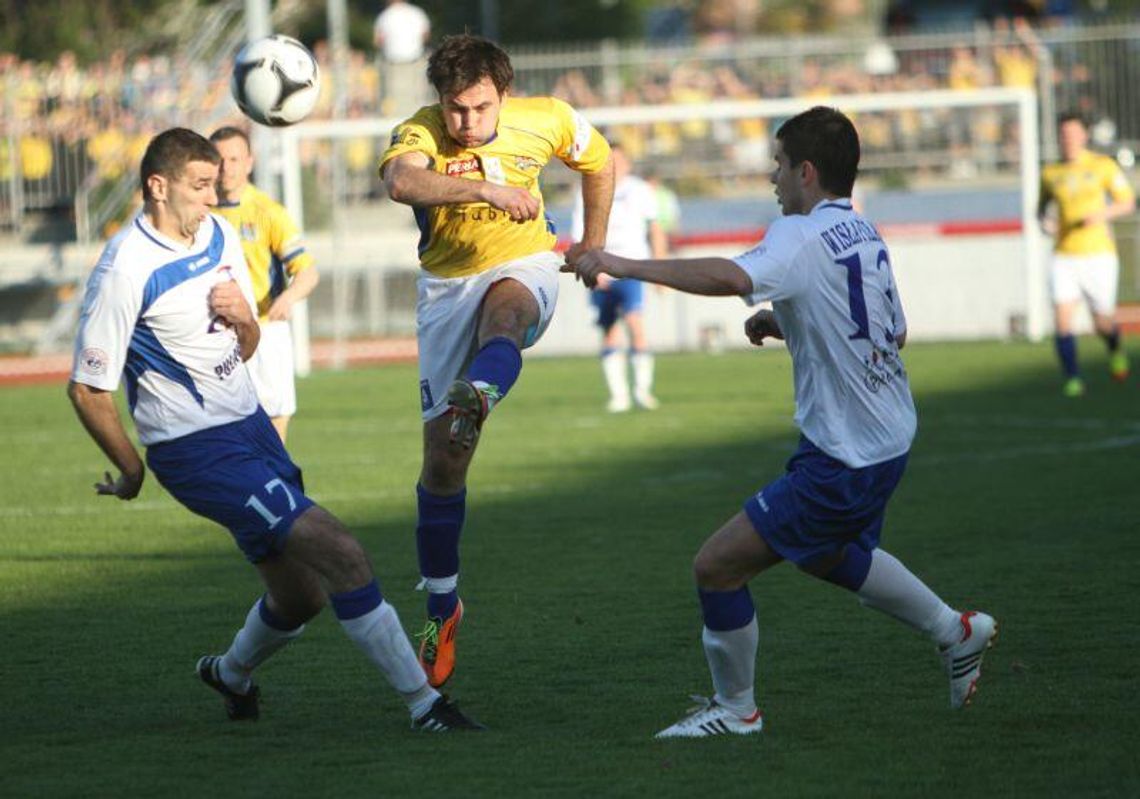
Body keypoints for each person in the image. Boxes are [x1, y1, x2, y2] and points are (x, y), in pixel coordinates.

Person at [566, 106, 996, 738]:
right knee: (826, 553)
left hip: (845, 454)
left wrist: (622, 264)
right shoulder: (864, 233)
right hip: (887, 436)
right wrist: (789, 320)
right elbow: (891, 332)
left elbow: (729, 276)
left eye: (777, 166)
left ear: (806, 171)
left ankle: (737, 711)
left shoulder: (796, 236)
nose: (771, 179)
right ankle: (954, 631)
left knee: (716, 566)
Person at [67, 127, 481, 732]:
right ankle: (426, 705)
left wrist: (245, 320)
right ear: (157, 186)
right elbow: (86, 386)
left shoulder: (218, 233)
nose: (214, 197)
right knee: (342, 553)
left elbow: (250, 340)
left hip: (250, 424)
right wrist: (132, 470)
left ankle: (230, 673)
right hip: (195, 449)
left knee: (301, 596)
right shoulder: (125, 269)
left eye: (216, 184)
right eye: (200, 185)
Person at [380, 34, 614, 688]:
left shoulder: (547, 118)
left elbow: (599, 161)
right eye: (456, 110)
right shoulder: (418, 134)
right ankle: (441, 607)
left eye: (481, 109)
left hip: (525, 264)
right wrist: (485, 188)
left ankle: (481, 389)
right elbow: (401, 182)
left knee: (507, 315)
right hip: (445, 290)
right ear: (440, 103)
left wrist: (592, 245)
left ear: (503, 96)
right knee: (443, 465)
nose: (468, 123)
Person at [209, 126, 319, 443]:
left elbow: (308, 271)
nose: (226, 167)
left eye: (234, 158)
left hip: (265, 328)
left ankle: (277, 486)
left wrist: (289, 297)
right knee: (221, 429)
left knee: (273, 422)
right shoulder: (202, 215)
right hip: (218, 334)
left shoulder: (268, 212)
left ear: (249, 162)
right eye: (219, 159)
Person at [1037, 112, 1135, 397]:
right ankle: (1073, 379)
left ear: (1084, 135)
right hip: (1064, 255)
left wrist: (1101, 214)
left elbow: (1126, 202)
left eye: (1072, 133)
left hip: (1098, 255)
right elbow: (1041, 210)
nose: (1067, 139)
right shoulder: (1051, 173)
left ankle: (1115, 347)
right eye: (1063, 134)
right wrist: (1046, 223)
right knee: (1062, 319)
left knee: (1102, 321)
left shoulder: (1102, 166)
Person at [571, 142, 667, 412]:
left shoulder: (639, 190)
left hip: (632, 266)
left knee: (635, 323)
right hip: (601, 270)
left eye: (619, 160)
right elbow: (581, 232)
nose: (615, 166)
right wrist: (589, 265)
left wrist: (659, 269)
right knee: (610, 330)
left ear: (627, 163)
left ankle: (642, 391)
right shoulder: (588, 189)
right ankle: (620, 395)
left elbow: (655, 228)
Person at [372, 0, 432, 115]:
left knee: (393, 100)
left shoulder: (384, 16)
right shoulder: (417, 13)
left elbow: (378, 41)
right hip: (415, 63)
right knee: (417, 98)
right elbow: (425, 35)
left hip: (393, 66)